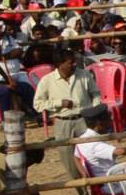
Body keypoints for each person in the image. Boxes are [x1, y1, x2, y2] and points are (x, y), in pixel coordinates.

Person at [33, 46, 99, 183]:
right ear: (59, 64)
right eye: (70, 62)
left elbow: (95, 94)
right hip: (62, 122)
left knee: (91, 154)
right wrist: (59, 103)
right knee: (68, 159)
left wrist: (94, 111)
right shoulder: (47, 80)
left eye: (74, 61)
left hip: (84, 120)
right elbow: (38, 104)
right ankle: (81, 191)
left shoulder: (84, 75)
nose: (74, 64)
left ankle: (97, 188)